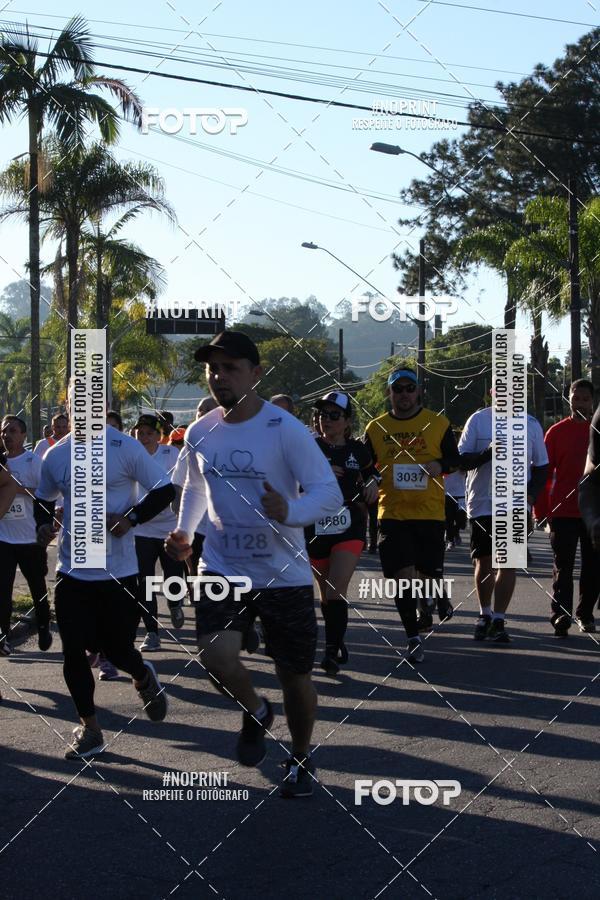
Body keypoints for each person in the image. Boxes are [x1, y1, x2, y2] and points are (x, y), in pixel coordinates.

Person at [166, 330, 343, 797]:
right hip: (222, 565)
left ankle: (301, 756)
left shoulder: (285, 429)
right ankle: (257, 711)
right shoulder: (200, 431)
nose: (219, 377)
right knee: (215, 655)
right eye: (213, 369)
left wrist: (292, 511)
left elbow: (329, 493)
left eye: (230, 368)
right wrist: (185, 532)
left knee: (294, 676)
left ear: (256, 373)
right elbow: (196, 487)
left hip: (283, 574)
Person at [35, 387, 175, 759]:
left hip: (118, 572)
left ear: (104, 407)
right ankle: (90, 729)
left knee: (118, 650)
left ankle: (142, 676)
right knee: (73, 652)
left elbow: (164, 490)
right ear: (68, 407)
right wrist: (43, 526)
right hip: (73, 571)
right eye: (77, 404)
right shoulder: (56, 454)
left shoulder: (124, 447)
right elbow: (44, 500)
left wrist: (131, 519)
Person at [364, 367, 460, 663]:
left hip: (430, 513)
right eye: (398, 389)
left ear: (418, 391)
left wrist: (439, 465)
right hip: (392, 513)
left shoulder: (438, 423)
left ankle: (432, 594)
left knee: (427, 573)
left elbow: (455, 459)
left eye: (409, 388)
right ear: (389, 392)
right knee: (403, 576)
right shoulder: (375, 428)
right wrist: (369, 480)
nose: (404, 394)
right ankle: (412, 637)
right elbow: (366, 465)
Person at [459, 399, 548, 643]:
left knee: (508, 563)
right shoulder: (478, 420)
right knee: (484, 561)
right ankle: (484, 614)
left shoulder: (530, 423)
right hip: (482, 503)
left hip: (515, 504)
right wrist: (489, 452)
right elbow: (461, 460)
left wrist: (531, 495)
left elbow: (542, 466)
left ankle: (499, 619)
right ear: (492, 391)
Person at [305, 392, 379, 675]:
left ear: (347, 421)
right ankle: (336, 640)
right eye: (322, 415)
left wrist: (372, 483)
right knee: (326, 593)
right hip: (315, 527)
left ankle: (331, 651)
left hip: (349, 526)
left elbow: (373, 473)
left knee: (336, 587)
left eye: (334, 415)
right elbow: (290, 480)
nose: (326, 420)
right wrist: (320, 472)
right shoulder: (308, 448)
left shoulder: (358, 450)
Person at [535, 380, 599, 635]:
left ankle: (585, 615)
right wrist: (541, 511)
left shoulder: (597, 431)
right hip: (563, 511)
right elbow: (544, 474)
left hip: (593, 512)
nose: (580, 403)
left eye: (585, 398)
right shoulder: (555, 433)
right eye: (576, 397)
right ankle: (560, 614)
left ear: (592, 401)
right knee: (563, 566)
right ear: (568, 398)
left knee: (593, 566)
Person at [0, 416, 53, 657]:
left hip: (30, 538)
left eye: (12, 431)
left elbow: (46, 493)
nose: (7, 435)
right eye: (4, 431)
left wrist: (16, 488)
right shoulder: (0, 462)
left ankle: (43, 625)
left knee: (37, 587)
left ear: (23, 435)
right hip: (4, 538)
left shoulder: (34, 462)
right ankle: (3, 636)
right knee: (3, 589)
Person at [134, 414, 187, 651]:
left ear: (159, 435)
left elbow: (182, 485)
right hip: (142, 529)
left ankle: (175, 603)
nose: (143, 437)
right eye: (140, 433)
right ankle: (152, 633)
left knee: (173, 576)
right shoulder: (132, 457)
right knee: (144, 582)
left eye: (148, 433)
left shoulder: (171, 454)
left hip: (169, 527)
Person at [444, 461, 467, 551]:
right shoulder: (446, 459)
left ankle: (454, 532)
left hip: (461, 495)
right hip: (446, 494)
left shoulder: (462, 458)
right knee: (448, 520)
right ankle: (451, 541)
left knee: (462, 522)